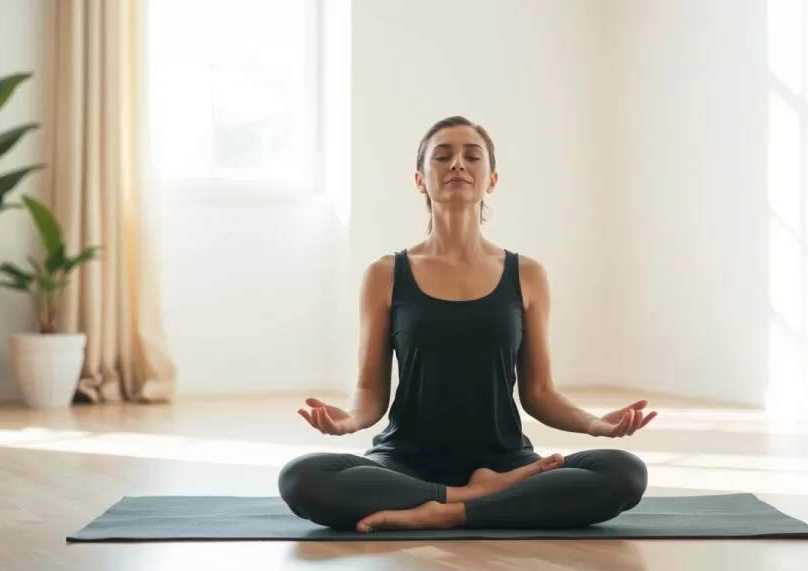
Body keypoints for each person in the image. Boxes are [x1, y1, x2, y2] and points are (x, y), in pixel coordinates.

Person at [277, 116, 657, 533]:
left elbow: (539, 393)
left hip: (505, 462)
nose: (457, 163)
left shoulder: (526, 274)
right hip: (405, 462)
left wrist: (595, 424)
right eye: (442, 156)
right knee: (302, 479)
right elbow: (370, 390)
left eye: (472, 156)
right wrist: (348, 420)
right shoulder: (385, 274)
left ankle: (443, 510)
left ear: (491, 180)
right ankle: (475, 499)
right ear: (420, 181)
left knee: (624, 472)